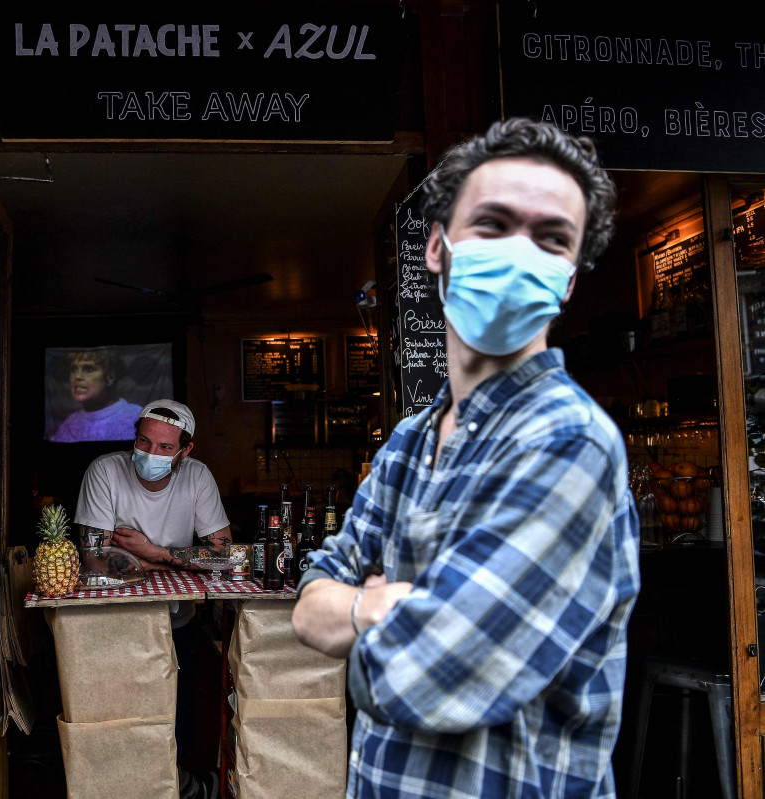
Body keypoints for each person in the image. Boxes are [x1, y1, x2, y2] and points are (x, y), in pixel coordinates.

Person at [292, 118, 640, 799]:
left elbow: (439, 669)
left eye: (551, 239)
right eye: (494, 223)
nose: (520, 253)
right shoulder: (406, 445)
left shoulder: (569, 441)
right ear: (437, 247)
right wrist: (391, 609)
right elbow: (306, 604)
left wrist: (361, 611)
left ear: (568, 281)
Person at [75, 399, 230, 799]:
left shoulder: (197, 477)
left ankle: (183, 787)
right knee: (120, 720)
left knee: (177, 720)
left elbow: (227, 556)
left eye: (164, 447)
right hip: (112, 622)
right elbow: (94, 558)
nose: (150, 454)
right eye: (144, 442)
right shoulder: (106, 471)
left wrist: (154, 552)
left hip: (178, 622)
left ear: (185, 450)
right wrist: (179, 564)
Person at [49, 348, 143, 442]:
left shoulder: (136, 417)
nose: (77, 376)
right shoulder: (71, 423)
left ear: (110, 377)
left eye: (88, 369)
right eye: (74, 369)